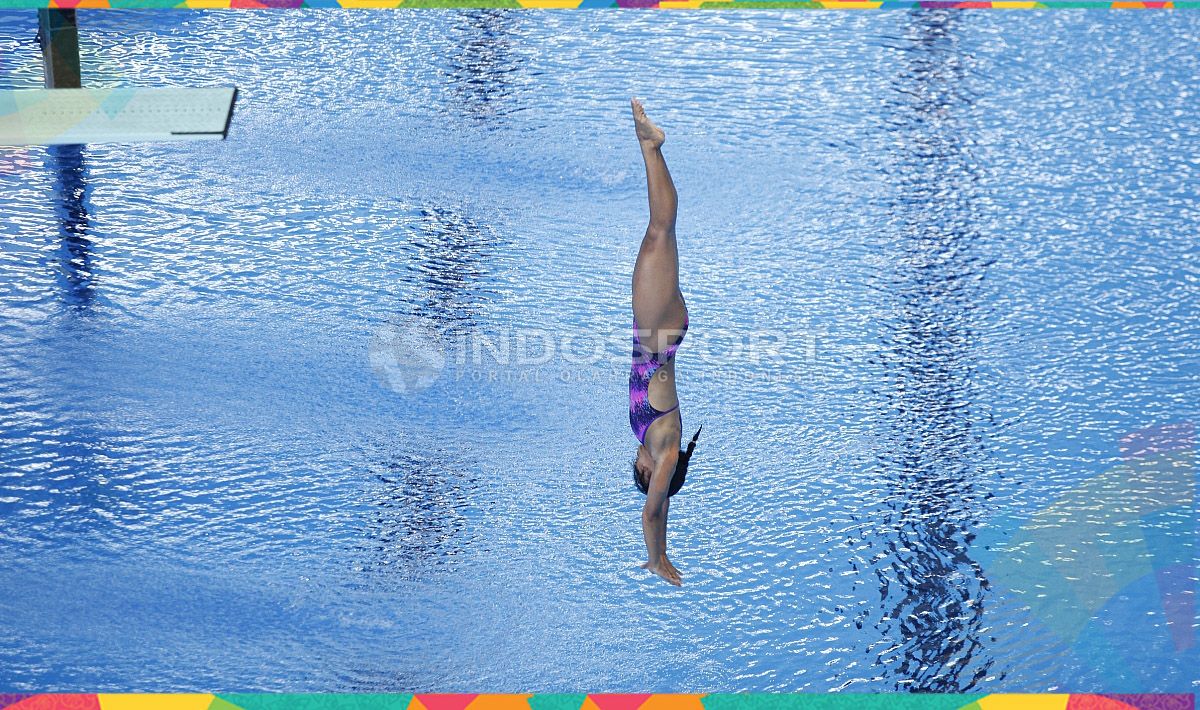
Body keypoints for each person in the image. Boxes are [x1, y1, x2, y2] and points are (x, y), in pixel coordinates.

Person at [628, 98, 702, 587]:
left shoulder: (648, 439)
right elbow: (654, 514)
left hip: (653, 332)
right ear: (656, 474)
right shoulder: (667, 450)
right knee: (659, 233)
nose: (635, 471)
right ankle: (652, 148)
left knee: (659, 236)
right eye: (642, 478)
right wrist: (658, 558)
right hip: (657, 336)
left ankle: (651, 150)